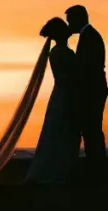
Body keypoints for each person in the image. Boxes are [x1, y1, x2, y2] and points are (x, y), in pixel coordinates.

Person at [26, 17, 81, 184]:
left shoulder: (60, 51)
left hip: (62, 94)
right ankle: (58, 172)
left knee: (60, 132)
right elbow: (65, 76)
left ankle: (61, 170)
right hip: (65, 96)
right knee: (61, 131)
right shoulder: (60, 52)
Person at [65, 4, 108, 185]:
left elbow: (88, 68)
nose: (69, 26)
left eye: (70, 22)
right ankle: (96, 166)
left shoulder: (90, 37)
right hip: (94, 91)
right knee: (91, 130)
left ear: (78, 19)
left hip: (92, 92)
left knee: (92, 130)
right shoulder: (89, 36)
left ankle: (96, 168)